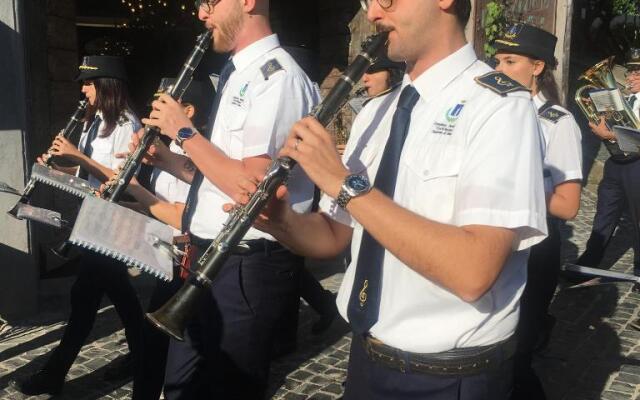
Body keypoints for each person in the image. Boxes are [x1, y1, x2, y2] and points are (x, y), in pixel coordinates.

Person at [234, 0, 548, 398]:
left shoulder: (500, 108)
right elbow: (335, 236)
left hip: (447, 378)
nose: (373, 14)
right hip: (367, 358)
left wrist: (342, 183)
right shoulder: (375, 112)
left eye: (387, 0)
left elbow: (474, 271)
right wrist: (280, 220)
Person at [137, 0, 320, 397]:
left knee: (228, 389)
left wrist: (184, 133)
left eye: (210, 3)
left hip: (245, 264)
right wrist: (168, 159)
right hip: (210, 256)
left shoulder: (278, 79)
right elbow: (217, 176)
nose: (201, 14)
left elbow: (252, 189)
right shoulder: (238, 74)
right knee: (179, 386)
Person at [10, 55, 144, 396]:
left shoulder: (127, 125)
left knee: (85, 298)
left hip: (113, 222)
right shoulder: (91, 120)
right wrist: (53, 169)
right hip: (93, 219)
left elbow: (123, 181)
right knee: (117, 297)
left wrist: (78, 156)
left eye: (88, 83)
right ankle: (145, 354)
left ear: (106, 85)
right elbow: (86, 175)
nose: (82, 89)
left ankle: (55, 373)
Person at [105, 79, 212, 400]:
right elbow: (159, 206)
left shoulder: (203, 150)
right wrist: (120, 200)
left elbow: (186, 216)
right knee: (153, 349)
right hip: (166, 258)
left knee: (177, 350)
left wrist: (136, 188)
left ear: (188, 111)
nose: (152, 114)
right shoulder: (171, 148)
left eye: (162, 107)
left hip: (187, 263)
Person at [493, 23, 583, 400]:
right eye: (496, 61)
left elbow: (568, 204)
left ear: (537, 67)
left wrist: (517, 189)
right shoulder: (491, 113)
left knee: (516, 361)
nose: (498, 70)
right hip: (493, 241)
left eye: (510, 61)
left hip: (535, 247)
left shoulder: (557, 123)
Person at [576, 47, 640, 277]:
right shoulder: (623, 99)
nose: (630, 77)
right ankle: (588, 265)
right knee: (603, 215)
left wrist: (611, 136)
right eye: (630, 72)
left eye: (637, 73)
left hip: (637, 167)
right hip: (616, 164)